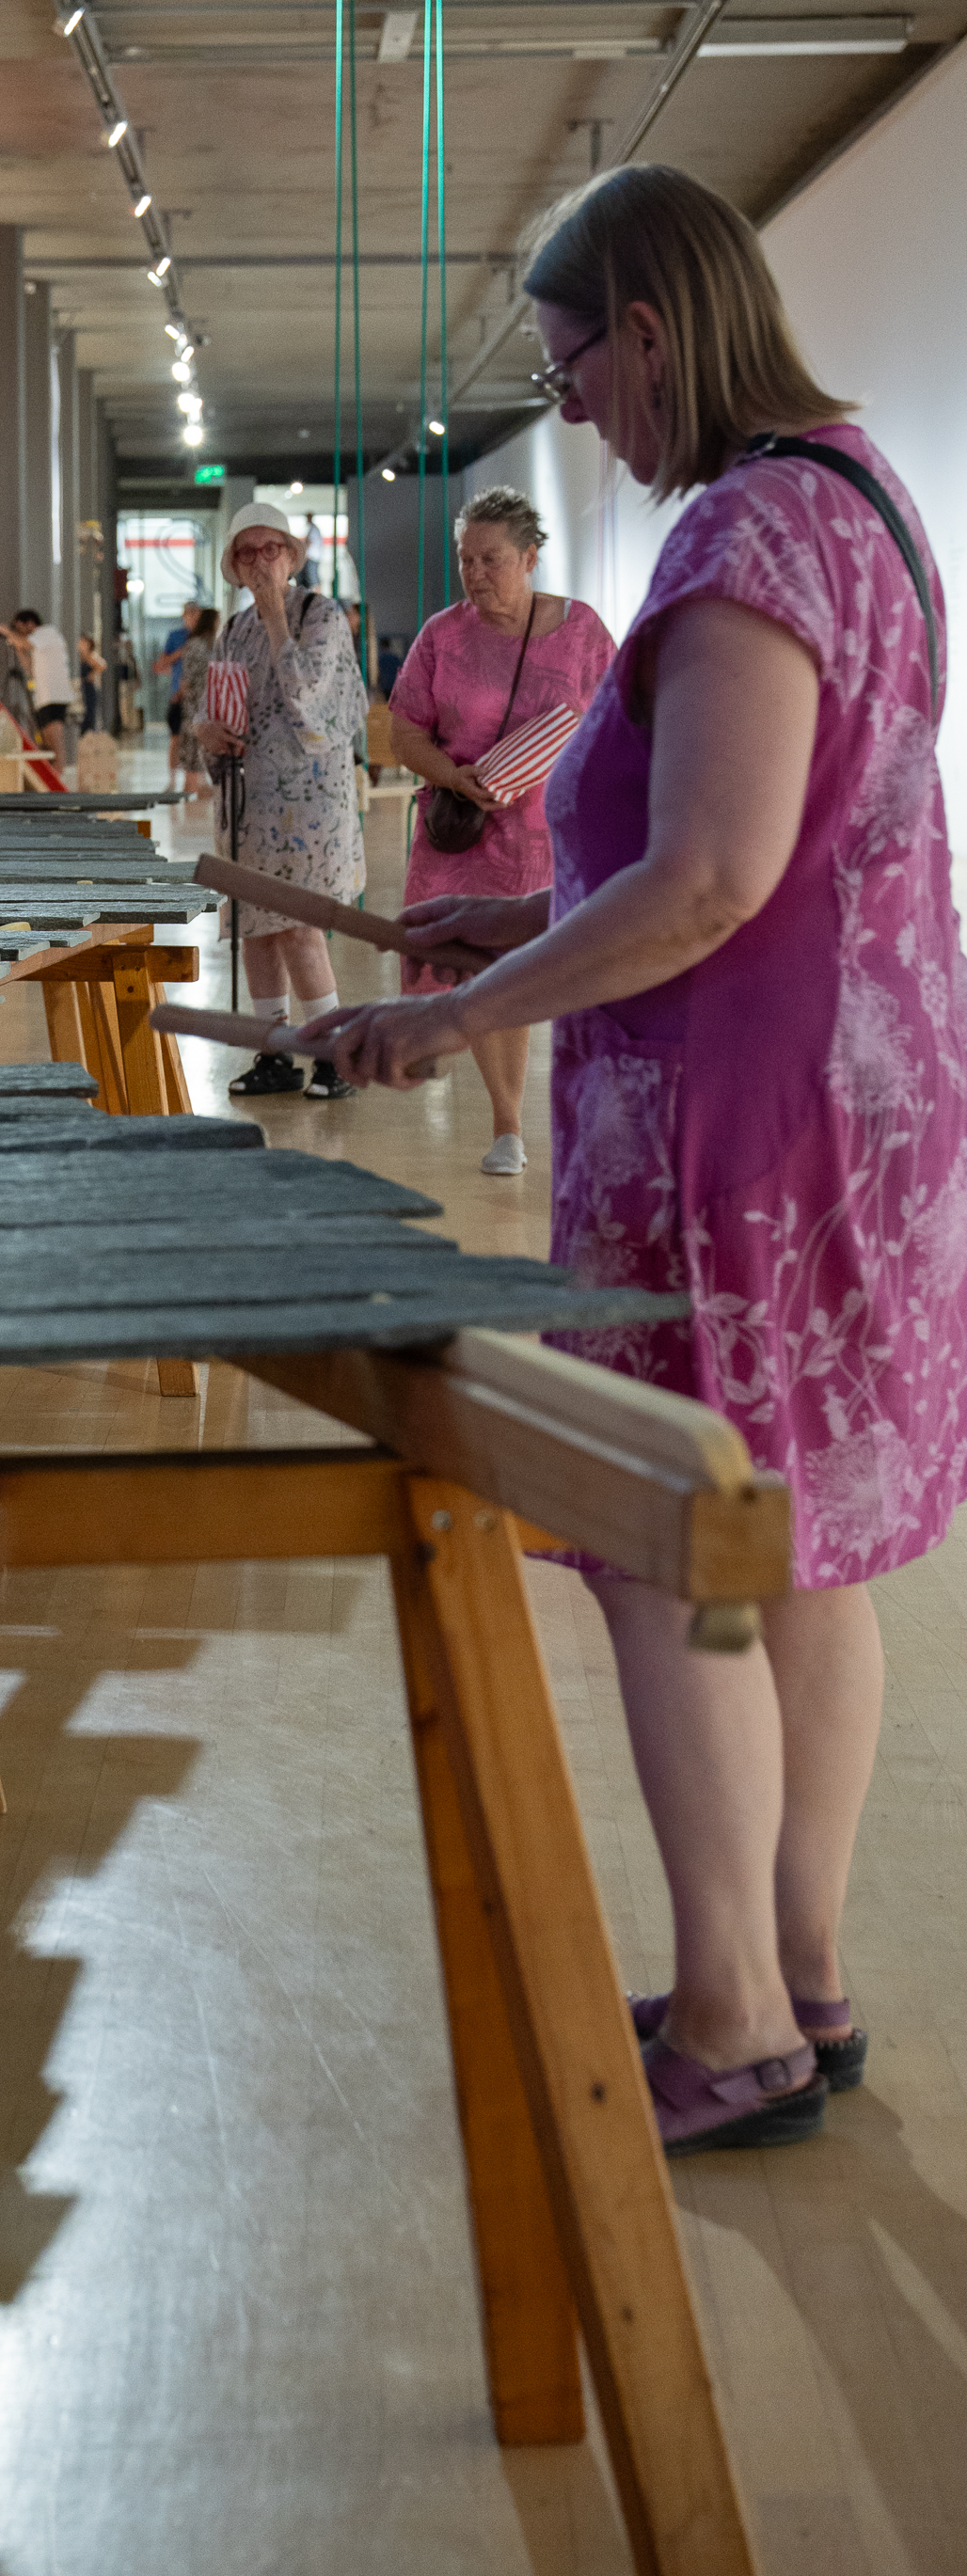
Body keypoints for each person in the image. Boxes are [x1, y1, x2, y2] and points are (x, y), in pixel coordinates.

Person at [300, 162, 963, 2155]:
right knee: (790, 1544)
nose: (570, 405)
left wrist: (445, 1025)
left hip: (728, 1142)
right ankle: (796, 1981)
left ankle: (732, 2024)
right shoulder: (856, 495)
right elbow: (752, 852)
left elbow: (710, 881)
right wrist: (509, 929)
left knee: (674, 1552)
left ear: (652, 331)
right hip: (836, 1109)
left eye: (571, 364)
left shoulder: (747, 531)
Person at [388, 488, 613, 1174]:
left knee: (560, 970)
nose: (476, 574)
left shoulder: (582, 632)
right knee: (482, 970)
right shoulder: (442, 635)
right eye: (466, 560)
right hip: (462, 833)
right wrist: (453, 777)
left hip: (548, 834)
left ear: (530, 557)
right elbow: (405, 733)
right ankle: (508, 1124)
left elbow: (621, 719)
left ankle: (590, 1117)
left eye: (492, 560)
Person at [192, 502, 368, 1100]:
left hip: (312, 807)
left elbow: (312, 705)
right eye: (248, 552)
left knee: (299, 929)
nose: (261, 561)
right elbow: (217, 705)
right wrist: (207, 731)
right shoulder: (232, 631)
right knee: (256, 929)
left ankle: (332, 1055)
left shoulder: (321, 616)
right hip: (249, 804)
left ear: (292, 556)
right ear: (234, 566)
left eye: (272, 549)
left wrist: (274, 618)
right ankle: (273, 1054)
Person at [0, 607, 73, 766]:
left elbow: (25, 643)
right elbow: (29, 669)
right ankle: (51, 772)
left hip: (55, 696)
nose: (20, 633)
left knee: (55, 740)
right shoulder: (37, 645)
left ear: (30, 623)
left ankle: (58, 773)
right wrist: (18, 648)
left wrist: (7, 632)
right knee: (45, 741)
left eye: (20, 629)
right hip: (43, 697)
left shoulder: (47, 633)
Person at [172, 603, 216, 801]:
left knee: (193, 741)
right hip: (206, 702)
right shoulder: (209, 645)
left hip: (198, 702)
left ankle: (193, 784)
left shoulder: (200, 645)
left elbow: (187, 677)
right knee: (199, 741)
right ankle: (196, 784)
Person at [75, 630, 108, 735]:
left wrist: (93, 672)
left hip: (88, 688)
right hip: (78, 688)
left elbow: (102, 665)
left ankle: (88, 735)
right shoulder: (76, 657)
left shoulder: (91, 657)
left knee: (89, 715)